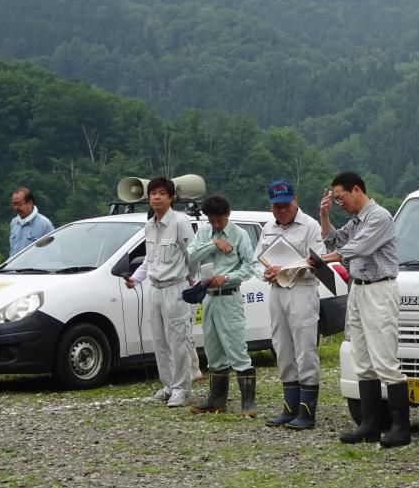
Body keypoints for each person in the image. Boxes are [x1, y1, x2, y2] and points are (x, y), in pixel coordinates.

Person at [320, 172, 409, 447]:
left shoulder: (379, 217)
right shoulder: (356, 220)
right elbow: (335, 240)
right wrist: (324, 217)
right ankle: (369, 425)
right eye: (335, 200)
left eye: (341, 198)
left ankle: (400, 428)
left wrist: (320, 260)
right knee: (362, 358)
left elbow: (355, 248)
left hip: (380, 289)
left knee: (384, 358)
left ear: (356, 189)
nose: (340, 204)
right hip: (358, 288)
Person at [253, 180, 326, 430]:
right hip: (276, 291)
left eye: (285, 205)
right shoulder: (268, 228)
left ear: (295, 201)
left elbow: (317, 260)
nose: (281, 211)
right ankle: (289, 407)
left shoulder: (310, 226)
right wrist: (265, 273)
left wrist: (286, 269)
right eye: (276, 206)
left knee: (304, 348)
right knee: (282, 346)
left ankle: (307, 411)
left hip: (302, 290)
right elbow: (256, 261)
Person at [125, 177, 196, 407]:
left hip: (176, 287)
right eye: (153, 193)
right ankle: (168, 384)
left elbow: (192, 255)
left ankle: (182, 388)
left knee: (178, 339)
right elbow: (149, 259)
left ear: (171, 197)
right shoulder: (149, 225)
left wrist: (192, 280)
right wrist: (135, 278)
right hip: (155, 288)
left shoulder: (180, 222)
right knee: (159, 340)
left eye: (162, 193)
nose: (156, 197)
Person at [186, 195, 257, 417]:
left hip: (228, 296)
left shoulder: (240, 235)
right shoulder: (205, 232)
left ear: (228, 214)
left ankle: (249, 404)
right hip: (208, 296)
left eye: (219, 220)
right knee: (213, 349)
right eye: (212, 220)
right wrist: (213, 243)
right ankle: (216, 401)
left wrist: (226, 278)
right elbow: (190, 256)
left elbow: (249, 267)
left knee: (236, 348)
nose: (216, 224)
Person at [9, 188, 54, 256]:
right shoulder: (14, 222)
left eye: (19, 204)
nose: (16, 207)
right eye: (14, 204)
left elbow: (53, 251)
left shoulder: (45, 224)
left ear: (30, 203)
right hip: (15, 266)